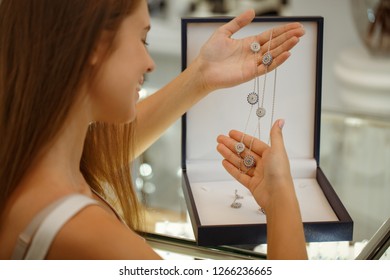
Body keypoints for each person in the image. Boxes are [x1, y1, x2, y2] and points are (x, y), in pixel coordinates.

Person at [0, 0, 306, 259]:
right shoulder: (91, 239)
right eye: (142, 40)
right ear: (95, 44)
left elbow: (103, 151)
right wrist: (280, 199)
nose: (149, 64)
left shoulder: (27, 155)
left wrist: (203, 75)